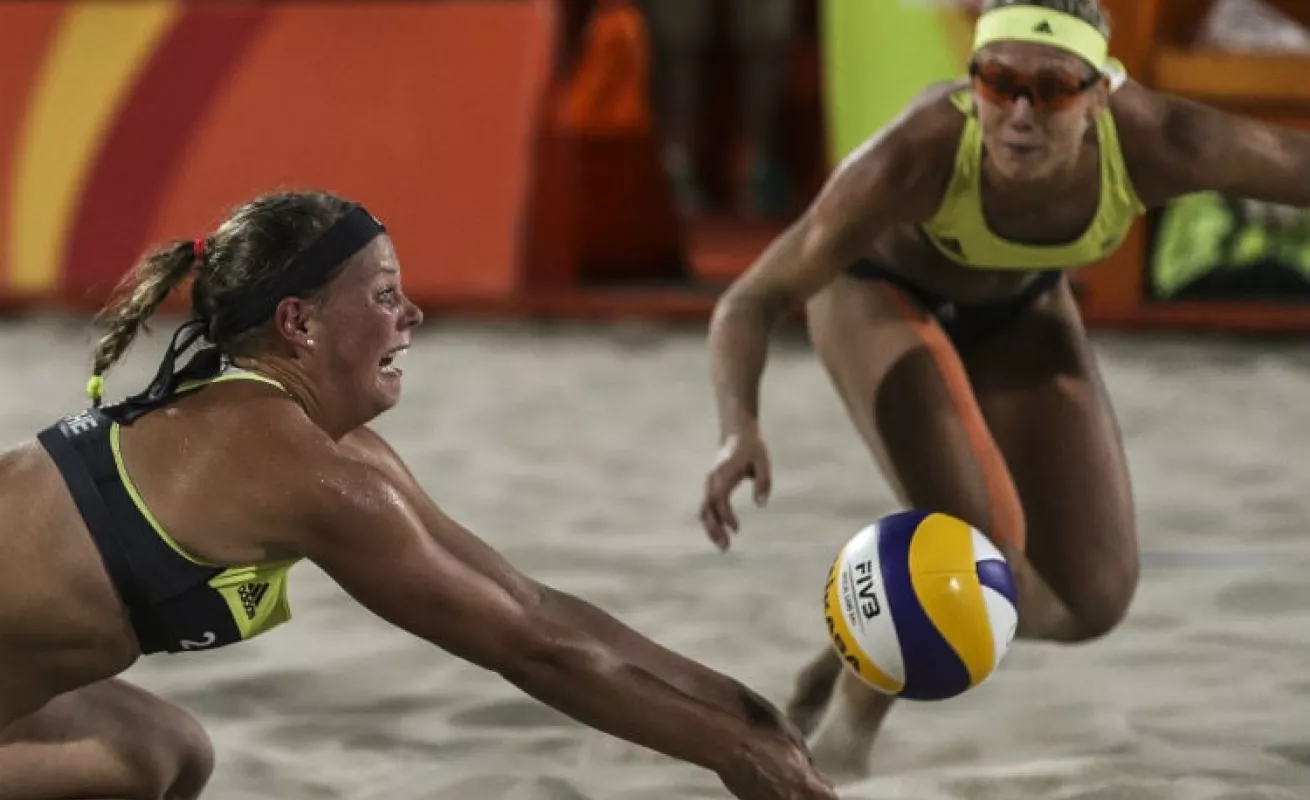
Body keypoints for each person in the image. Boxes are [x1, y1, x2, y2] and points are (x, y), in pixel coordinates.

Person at [0, 190, 836, 800]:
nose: (416, 315)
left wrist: (750, 720)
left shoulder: (319, 443)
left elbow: (532, 606)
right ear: (299, 324)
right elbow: (528, 651)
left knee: (163, 751)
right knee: (154, 757)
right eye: (386, 294)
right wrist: (731, 755)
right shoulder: (300, 469)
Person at [699, 0, 1310, 775]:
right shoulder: (916, 153)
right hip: (876, 292)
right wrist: (738, 429)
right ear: (973, 81)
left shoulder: (1164, 141)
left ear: (1100, 95)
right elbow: (747, 301)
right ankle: (845, 738)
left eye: (1051, 89)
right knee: (976, 548)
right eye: (997, 82)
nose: (1020, 113)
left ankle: (871, 620)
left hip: (1019, 300)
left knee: (1092, 600)